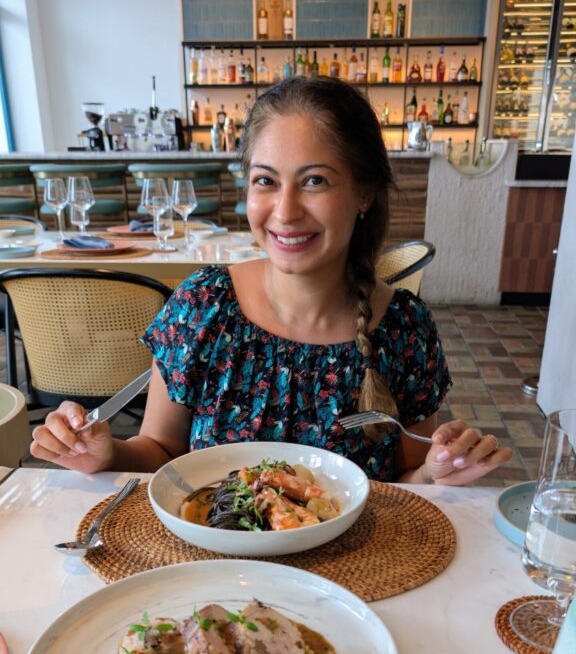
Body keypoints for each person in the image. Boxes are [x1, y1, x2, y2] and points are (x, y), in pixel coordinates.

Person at [31, 77, 512, 485]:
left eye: (315, 181)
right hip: (221, 575)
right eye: (265, 180)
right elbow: (160, 451)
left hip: (356, 581)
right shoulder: (203, 306)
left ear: (364, 192)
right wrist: (107, 454)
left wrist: (437, 470)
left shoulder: (404, 328)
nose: (284, 212)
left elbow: (406, 480)